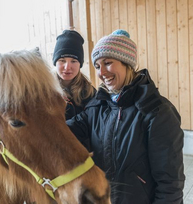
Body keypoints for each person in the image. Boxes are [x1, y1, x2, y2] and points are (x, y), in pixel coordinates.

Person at [67, 29, 185, 204]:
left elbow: (170, 183)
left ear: (127, 63)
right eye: (97, 66)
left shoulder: (157, 112)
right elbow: (64, 131)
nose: (102, 72)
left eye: (108, 62)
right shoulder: (98, 106)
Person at [52, 29, 96, 120]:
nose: (67, 67)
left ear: (80, 64)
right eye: (62, 61)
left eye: (73, 61)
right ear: (55, 62)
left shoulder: (90, 93)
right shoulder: (44, 90)